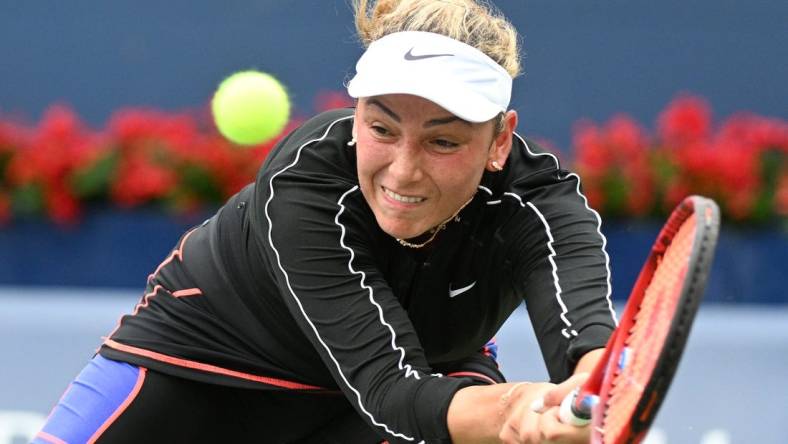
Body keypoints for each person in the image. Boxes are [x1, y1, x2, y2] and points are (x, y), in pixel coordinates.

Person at [34, 0, 617, 443]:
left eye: (442, 141)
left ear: (500, 140)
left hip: (419, 379)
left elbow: (585, 343)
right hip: (201, 363)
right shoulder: (306, 182)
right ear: (356, 114)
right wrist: (518, 411)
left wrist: (592, 390)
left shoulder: (538, 202)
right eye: (382, 129)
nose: (403, 173)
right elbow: (391, 388)